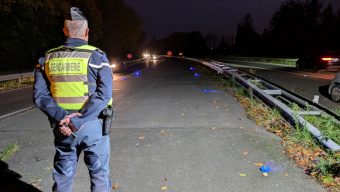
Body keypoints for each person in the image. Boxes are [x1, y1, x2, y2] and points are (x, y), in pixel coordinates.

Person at [33, 7, 113, 192]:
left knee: (63, 175)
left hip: (63, 128)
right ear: (86, 32)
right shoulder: (96, 56)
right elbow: (104, 94)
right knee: (99, 174)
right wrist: (78, 120)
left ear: (64, 31)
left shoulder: (46, 59)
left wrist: (65, 119)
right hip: (92, 126)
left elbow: (40, 96)